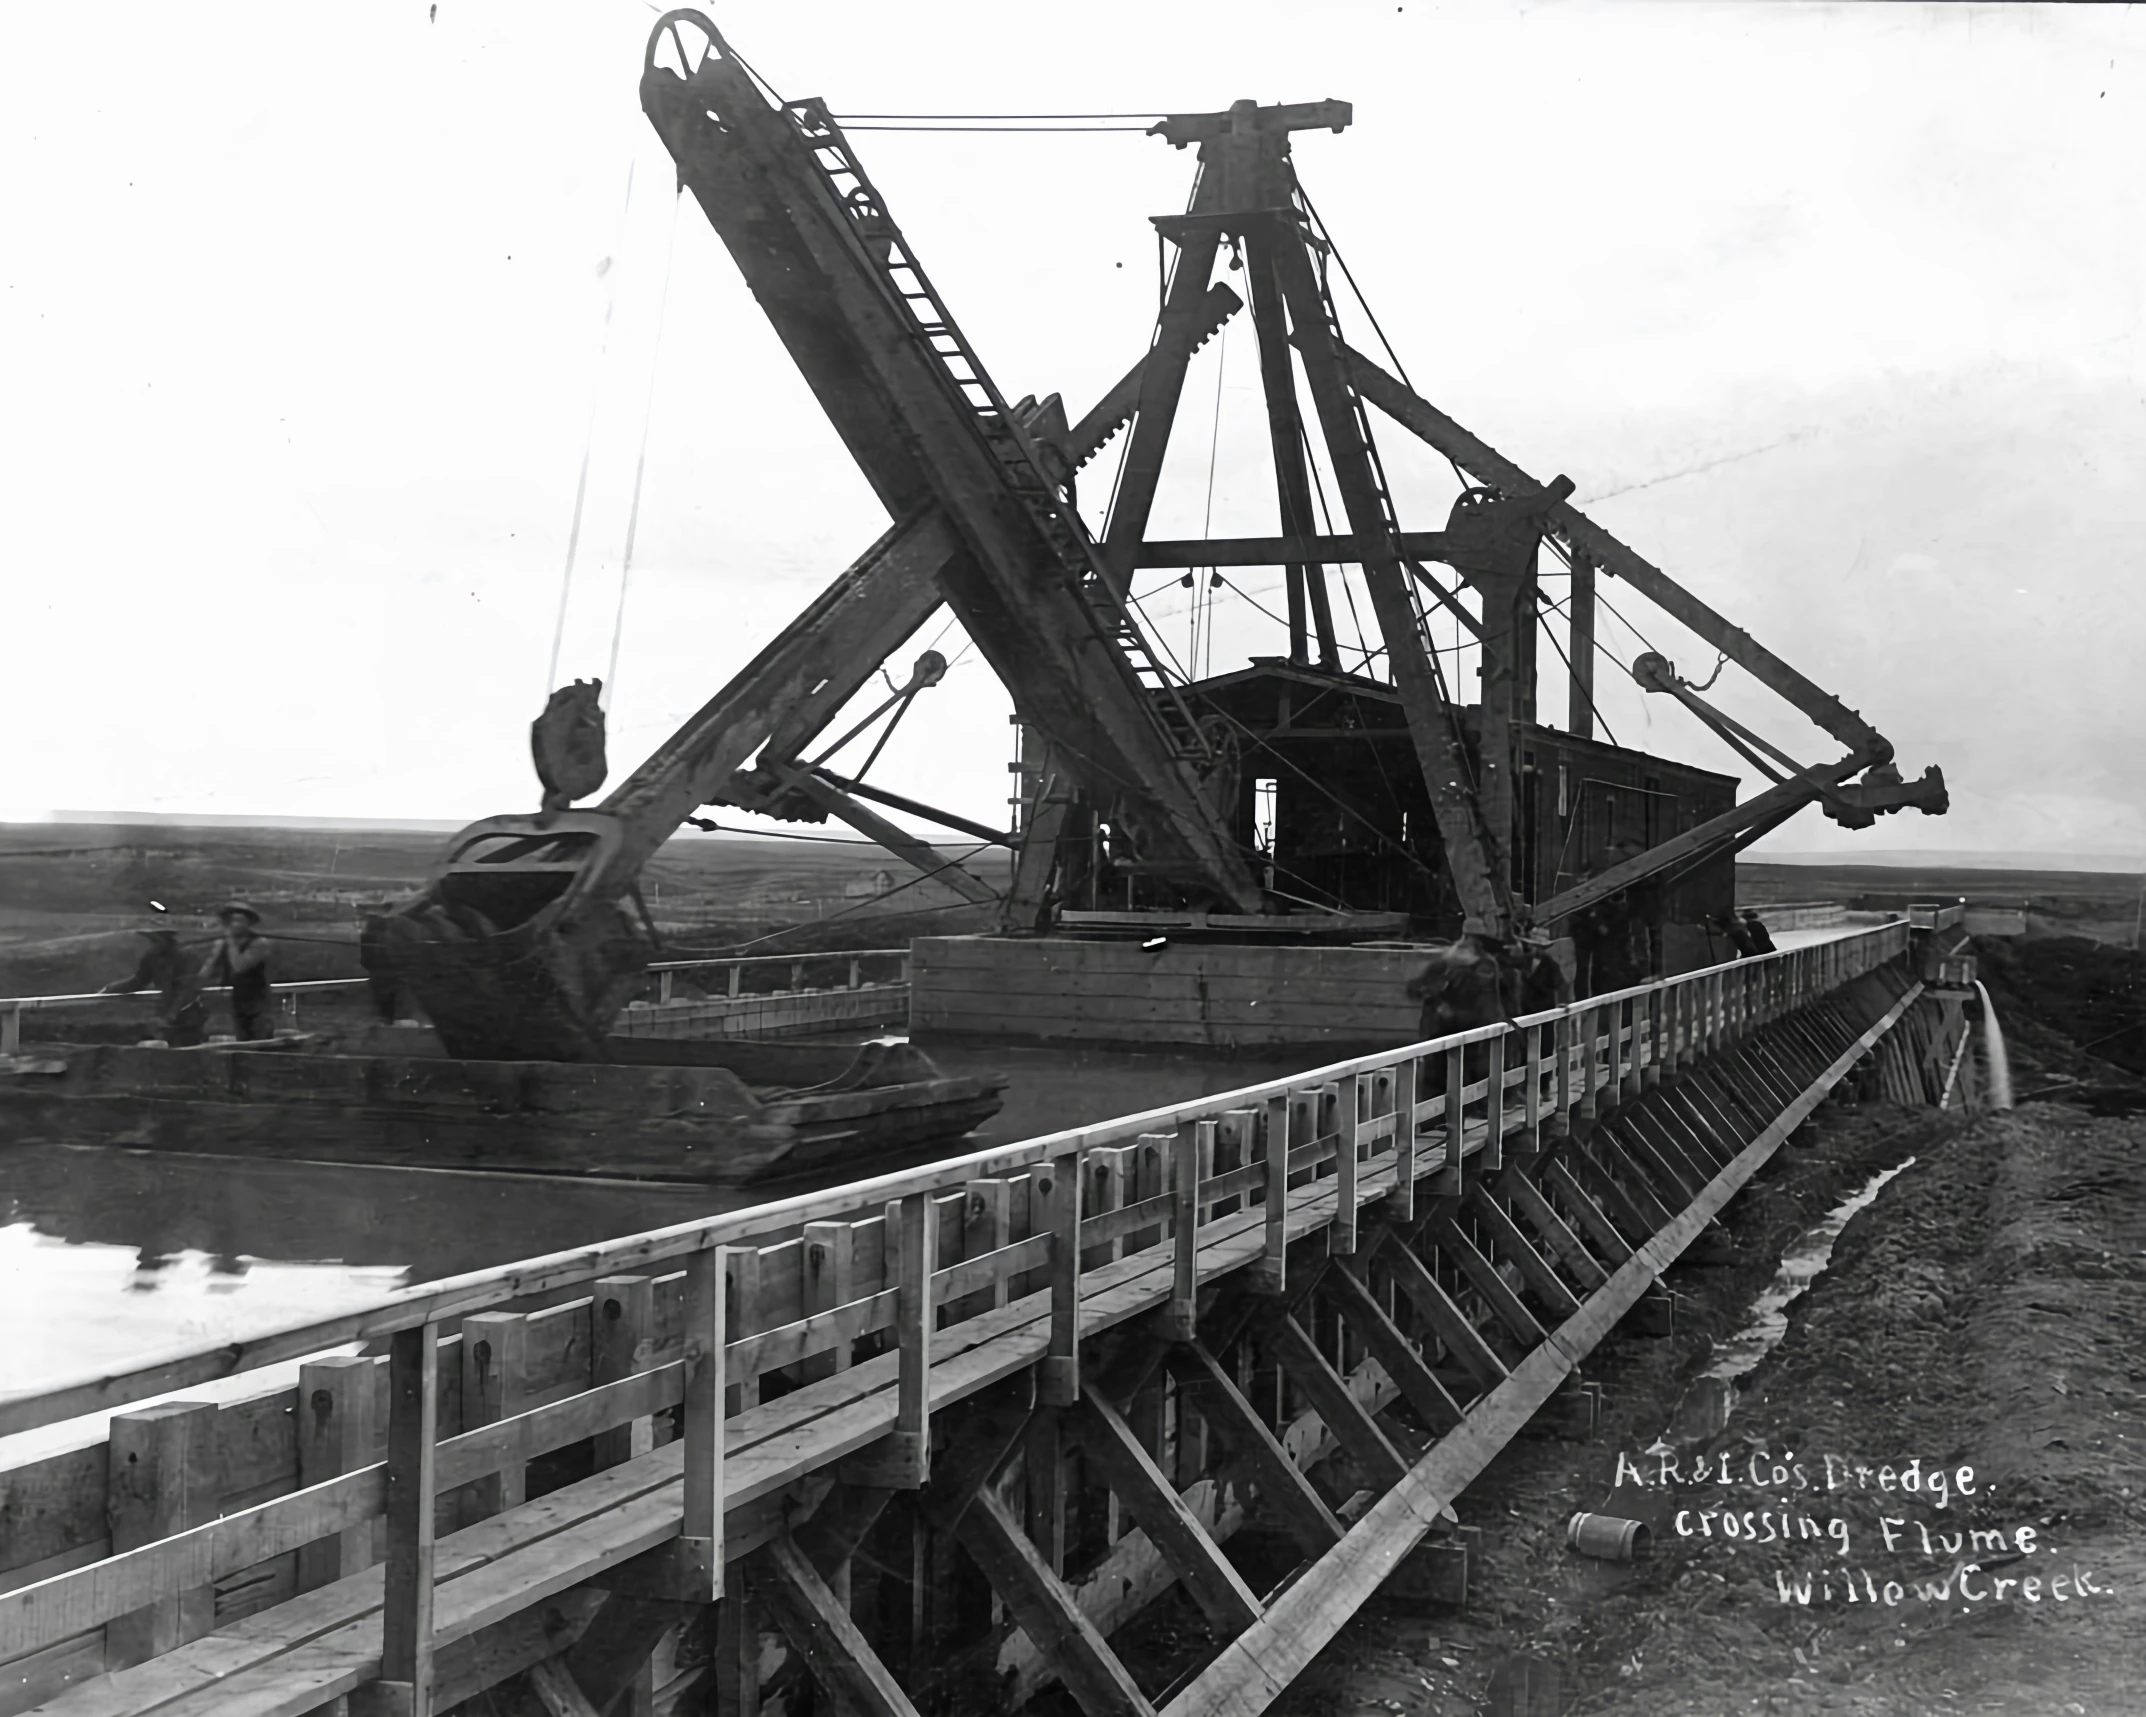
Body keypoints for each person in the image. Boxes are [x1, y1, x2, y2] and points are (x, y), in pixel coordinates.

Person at [101, 923, 208, 1046]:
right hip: (164, 1012)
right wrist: (110, 989)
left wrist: (170, 1016)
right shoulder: (152, 957)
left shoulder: (187, 956)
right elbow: (139, 981)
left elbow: (188, 990)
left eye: (155, 939)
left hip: (187, 1016)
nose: (153, 943)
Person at [202, 902, 275, 1041]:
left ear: (249, 923)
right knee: (241, 1042)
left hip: (258, 1004)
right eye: (231, 920)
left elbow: (239, 966)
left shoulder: (259, 943)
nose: (234, 924)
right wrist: (215, 953)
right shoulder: (225, 944)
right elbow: (207, 971)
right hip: (237, 1002)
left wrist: (229, 941)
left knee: (261, 1042)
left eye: (239, 920)